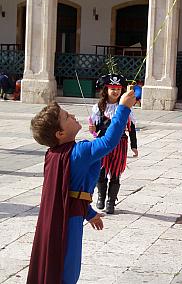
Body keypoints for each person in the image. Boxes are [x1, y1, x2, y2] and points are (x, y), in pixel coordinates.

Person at [27, 91, 136, 284]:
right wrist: (124, 108)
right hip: (70, 221)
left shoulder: (52, 154)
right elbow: (109, 142)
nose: (73, 116)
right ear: (60, 134)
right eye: (67, 117)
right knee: (68, 269)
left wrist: (89, 212)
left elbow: (67, 192)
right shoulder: (79, 152)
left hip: (57, 218)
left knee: (58, 263)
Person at [89, 74, 138, 214]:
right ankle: (101, 197)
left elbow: (132, 127)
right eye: (112, 88)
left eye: (118, 89)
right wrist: (93, 129)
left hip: (120, 143)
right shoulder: (99, 107)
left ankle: (111, 201)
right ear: (106, 89)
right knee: (101, 170)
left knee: (116, 173)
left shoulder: (125, 106)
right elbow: (97, 127)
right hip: (103, 142)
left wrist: (134, 145)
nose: (115, 92)